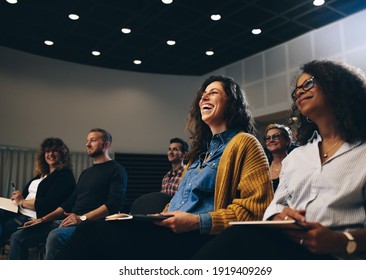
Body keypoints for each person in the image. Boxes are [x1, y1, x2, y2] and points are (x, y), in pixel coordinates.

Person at [58, 75, 274, 260]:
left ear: (232, 102)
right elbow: (178, 203)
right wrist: (151, 218)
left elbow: (256, 211)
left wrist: (198, 222)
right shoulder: (198, 154)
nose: (204, 97)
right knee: (96, 230)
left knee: (91, 234)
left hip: (199, 237)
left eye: (214, 92)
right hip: (171, 230)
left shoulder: (245, 143)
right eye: (203, 94)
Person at [193, 59, 366, 260]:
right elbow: (275, 206)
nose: (300, 93)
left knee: (239, 239)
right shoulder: (297, 156)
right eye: (296, 91)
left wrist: (340, 241)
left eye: (308, 84)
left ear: (338, 86)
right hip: (293, 247)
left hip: (343, 256)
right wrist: (281, 216)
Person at [9, 128, 128, 259]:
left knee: (56, 236)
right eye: (87, 141)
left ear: (106, 145)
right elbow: (69, 203)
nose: (87, 144)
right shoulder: (86, 173)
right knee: (18, 237)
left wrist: (81, 218)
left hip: (91, 224)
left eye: (93, 140)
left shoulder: (116, 170)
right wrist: (42, 220)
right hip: (69, 221)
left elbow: (114, 204)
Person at [0, 138, 75, 252]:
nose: (50, 154)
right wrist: (17, 198)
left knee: (7, 229)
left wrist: (22, 202)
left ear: (62, 154)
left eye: (55, 151)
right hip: (20, 211)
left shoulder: (65, 176)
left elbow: (48, 204)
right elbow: (24, 197)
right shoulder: (40, 176)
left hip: (36, 217)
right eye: (47, 151)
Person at [263, 123, 294, 191]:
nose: (271, 140)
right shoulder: (264, 167)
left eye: (276, 136)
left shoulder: (296, 163)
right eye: (268, 138)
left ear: (287, 141)